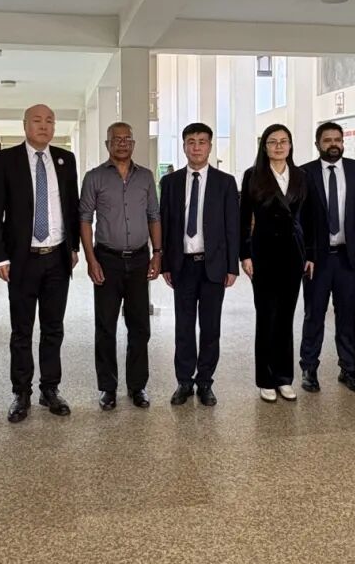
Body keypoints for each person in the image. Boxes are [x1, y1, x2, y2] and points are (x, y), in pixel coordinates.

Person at [0, 104, 80, 423]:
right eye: (37, 121)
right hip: (22, 259)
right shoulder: (6, 160)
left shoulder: (65, 159)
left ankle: (50, 389)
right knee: (22, 330)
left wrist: (73, 247)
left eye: (49, 121)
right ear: (25, 125)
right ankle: (21, 392)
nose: (44, 126)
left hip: (57, 258)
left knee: (53, 328)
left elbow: (72, 206)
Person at [79, 122, 162, 410]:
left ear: (133, 144)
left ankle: (137, 386)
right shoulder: (94, 177)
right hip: (107, 260)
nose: (123, 143)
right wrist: (91, 259)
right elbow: (85, 219)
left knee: (140, 327)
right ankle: (108, 388)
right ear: (107, 144)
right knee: (106, 326)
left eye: (127, 139)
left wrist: (157, 253)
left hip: (139, 259)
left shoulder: (146, 177)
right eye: (117, 139)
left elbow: (154, 215)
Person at [159, 123, 239, 407]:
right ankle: (184, 381)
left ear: (210, 146)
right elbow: (165, 224)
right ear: (184, 146)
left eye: (202, 142)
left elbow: (232, 226)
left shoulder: (225, 182)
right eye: (191, 142)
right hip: (182, 265)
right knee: (183, 327)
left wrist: (232, 266)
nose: (196, 147)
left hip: (213, 266)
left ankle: (205, 382)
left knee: (210, 327)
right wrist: (165, 263)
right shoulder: (170, 182)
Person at [298, 122, 355, 394]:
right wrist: (304, 254)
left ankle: (349, 369)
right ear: (317, 144)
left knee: (347, 315)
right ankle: (309, 368)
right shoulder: (304, 173)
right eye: (327, 140)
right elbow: (299, 219)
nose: (333, 144)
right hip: (316, 260)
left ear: (343, 143)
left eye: (337, 139)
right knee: (314, 315)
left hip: (349, 257)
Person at [240, 124, 315, 403]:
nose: (279, 146)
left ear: (290, 145)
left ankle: (284, 378)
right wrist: (245, 255)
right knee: (266, 316)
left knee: (286, 317)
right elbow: (243, 218)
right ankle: (266, 379)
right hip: (263, 253)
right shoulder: (253, 175)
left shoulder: (301, 176)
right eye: (273, 142)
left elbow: (309, 219)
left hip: (293, 253)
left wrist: (311, 254)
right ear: (265, 147)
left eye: (284, 141)